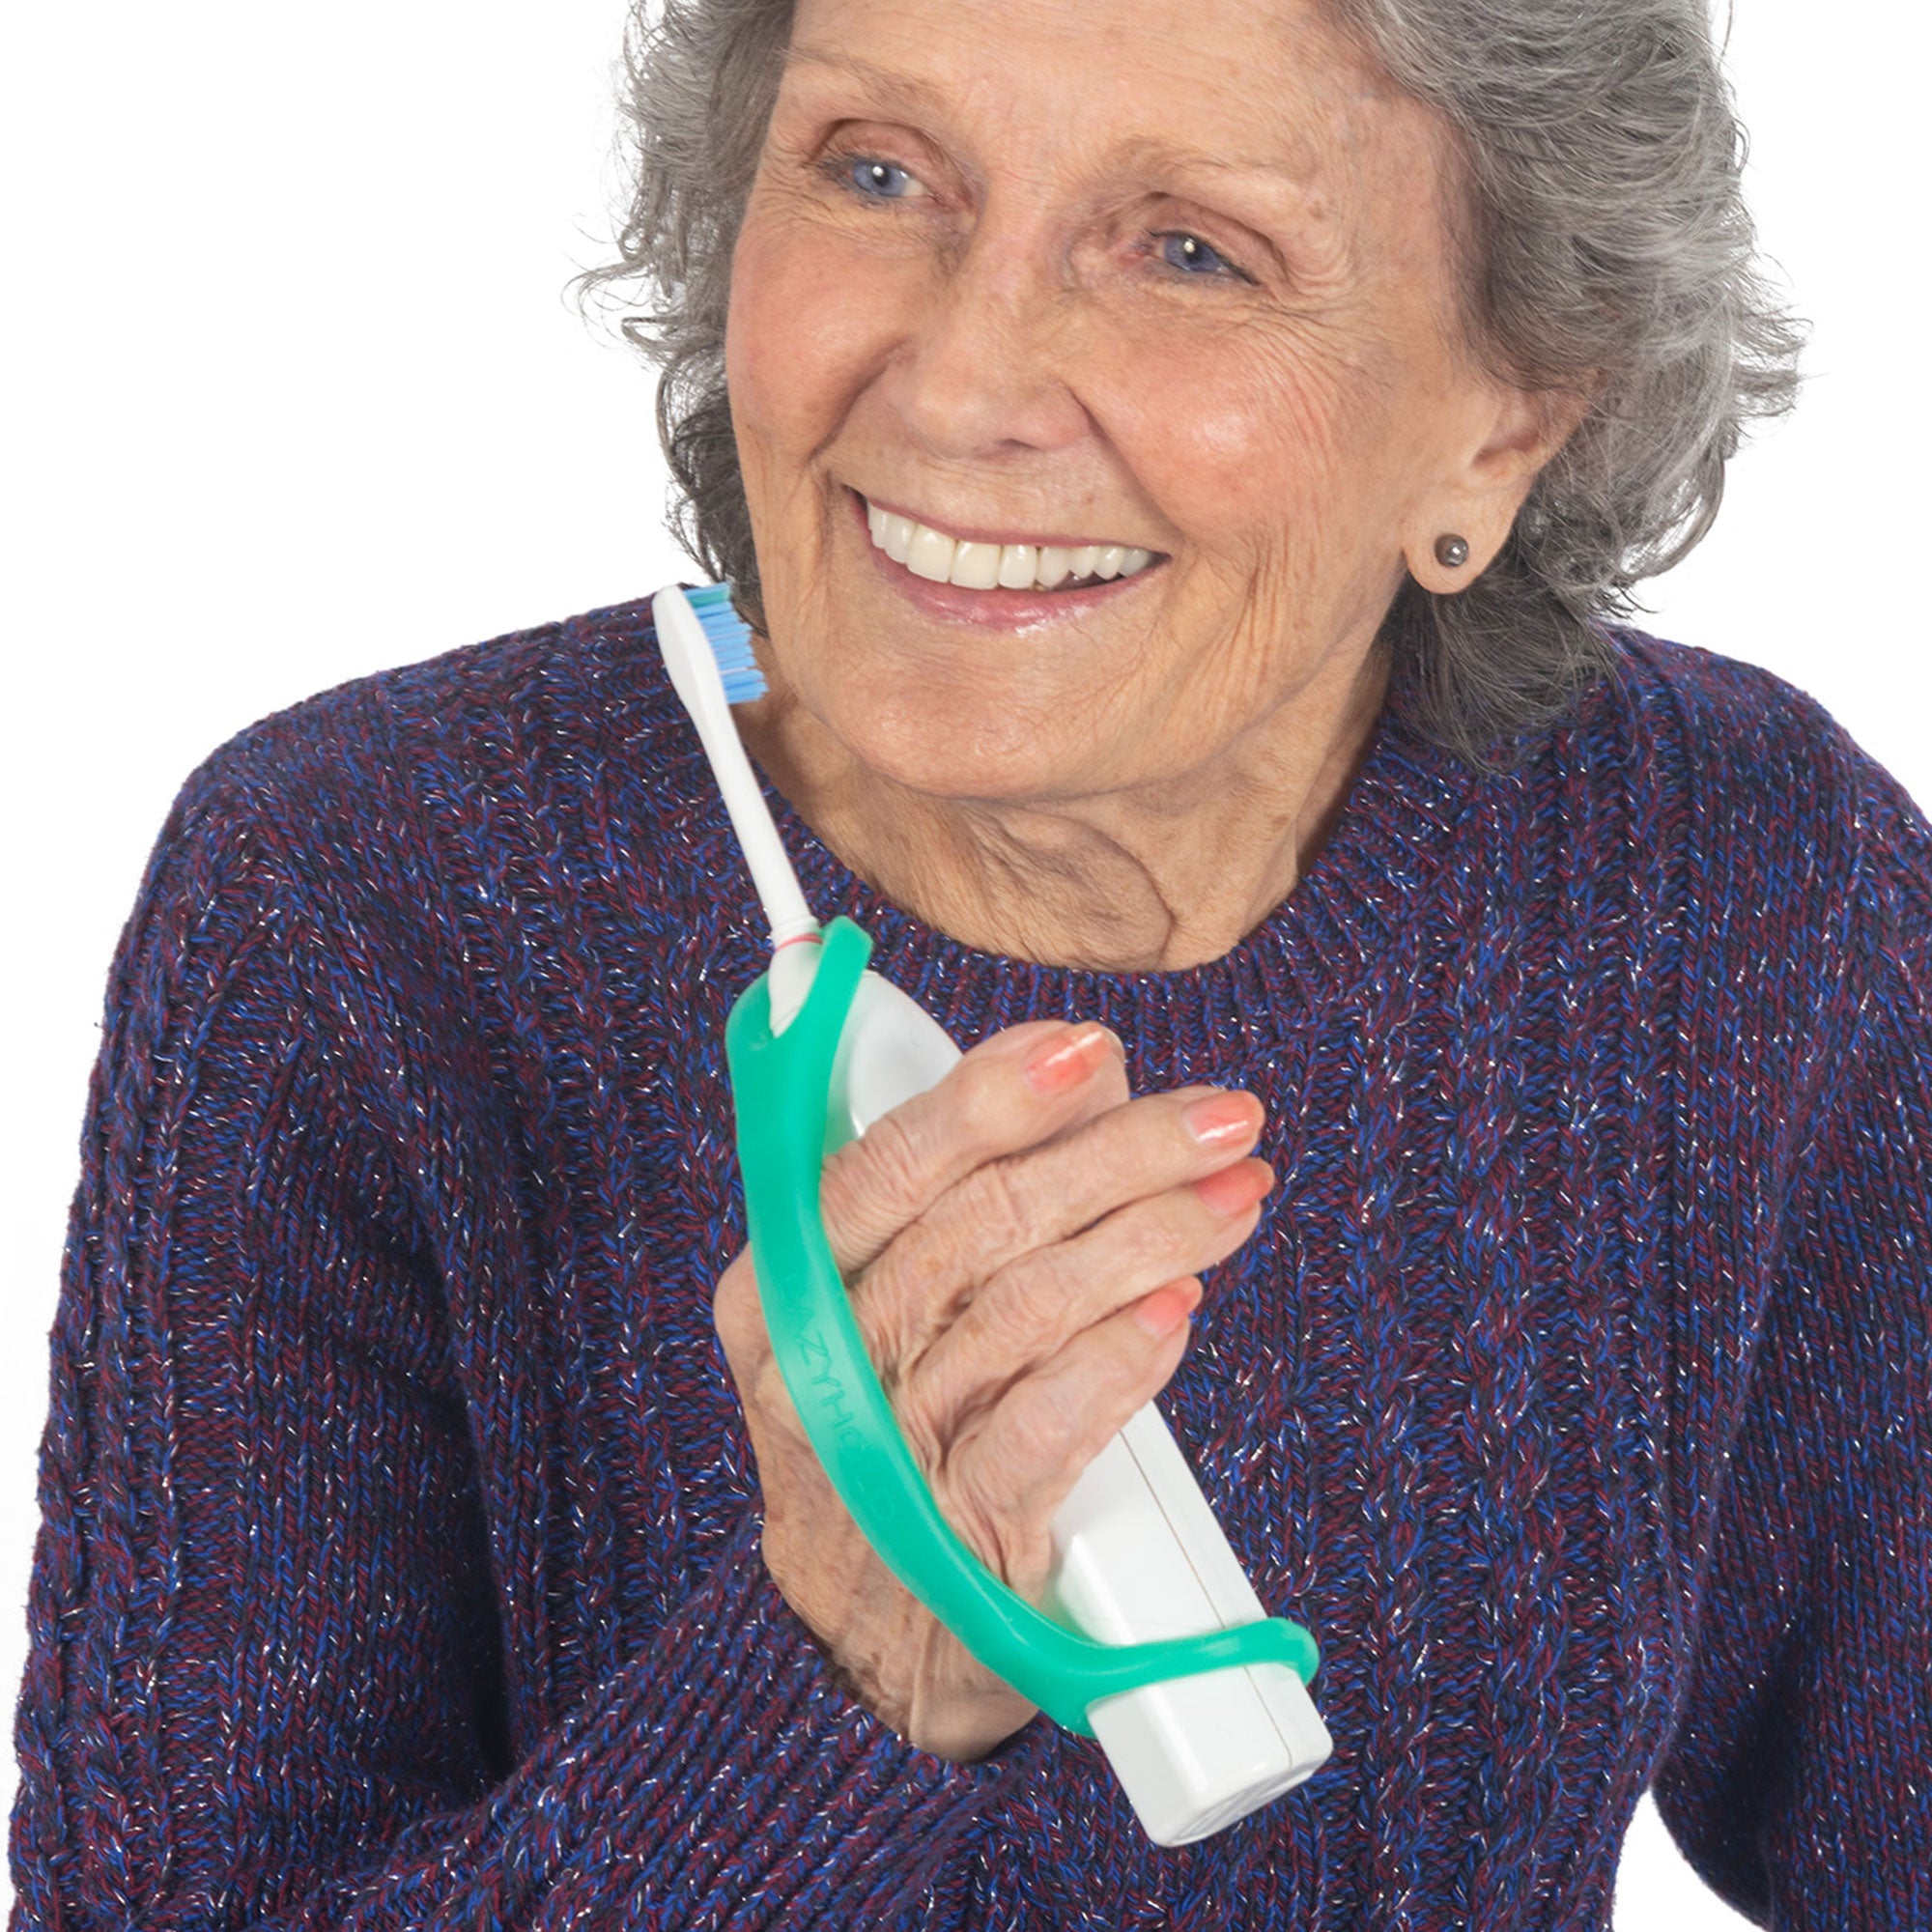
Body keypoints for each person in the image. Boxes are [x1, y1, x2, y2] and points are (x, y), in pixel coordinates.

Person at [8, 0, 1927, 1923]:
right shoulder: (363, 903)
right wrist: (838, 1673)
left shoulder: (1739, 889)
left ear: (1506, 414)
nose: (962, 378)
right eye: (876, 172)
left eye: (1190, 247)